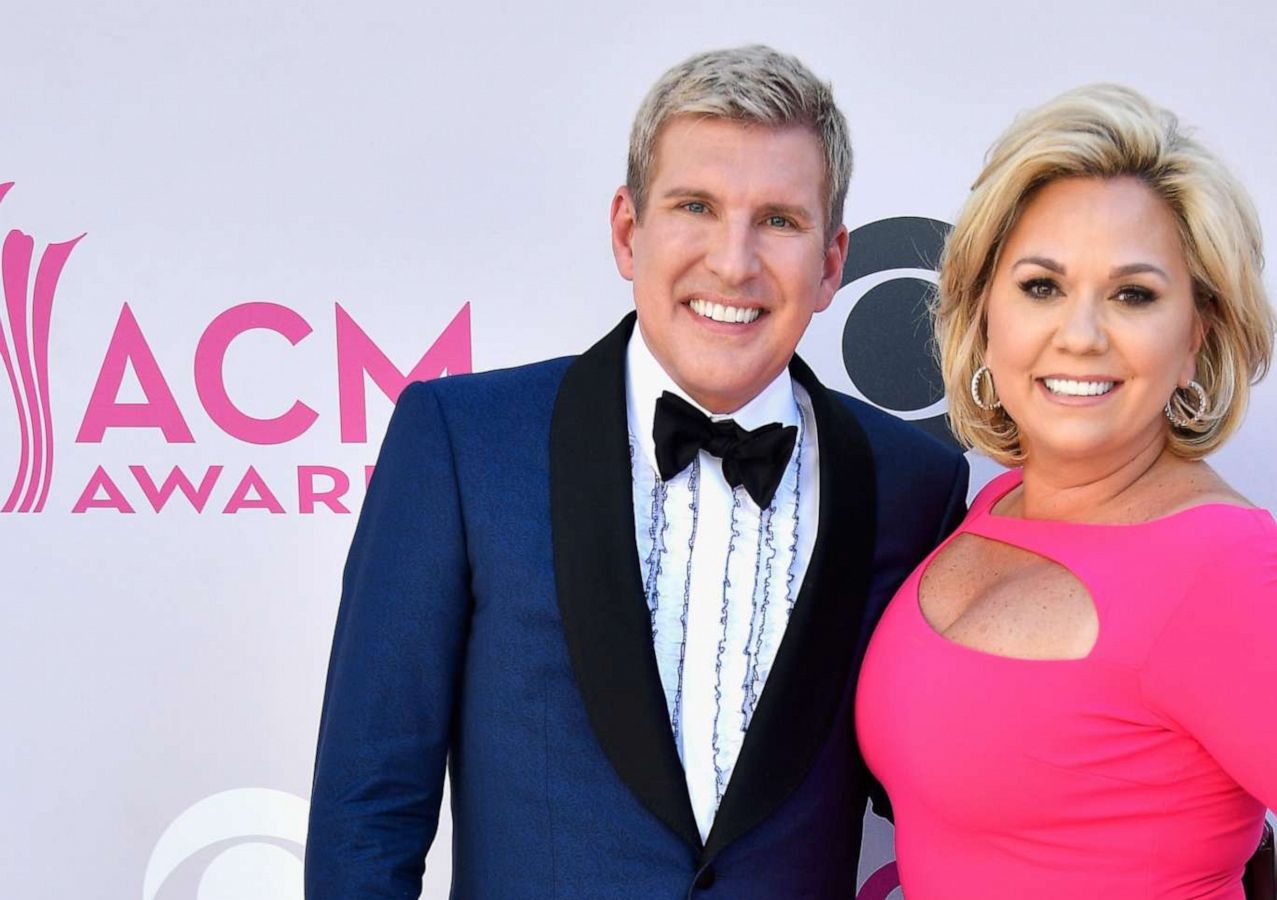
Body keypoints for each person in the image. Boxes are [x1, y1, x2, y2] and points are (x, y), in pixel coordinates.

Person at [304, 46, 969, 898]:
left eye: (778, 220)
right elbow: (367, 811)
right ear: (628, 231)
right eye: (696, 206)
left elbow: (948, 789)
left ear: (833, 261)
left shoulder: (915, 483)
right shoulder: (464, 443)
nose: (734, 262)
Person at [854, 84, 1277, 898]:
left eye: (1133, 295)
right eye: (1042, 286)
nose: (1081, 334)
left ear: (1194, 337)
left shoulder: (1230, 573)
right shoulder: (997, 505)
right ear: (984, 310)